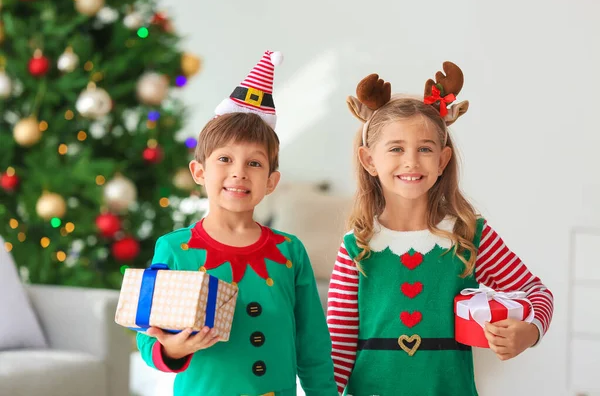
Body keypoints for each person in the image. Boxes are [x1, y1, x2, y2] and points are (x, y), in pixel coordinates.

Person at [326, 62, 554, 396]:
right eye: (396, 148)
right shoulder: (356, 246)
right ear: (369, 160)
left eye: (425, 149)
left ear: (442, 160)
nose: (411, 161)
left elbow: (537, 292)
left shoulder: (469, 235)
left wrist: (530, 331)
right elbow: (339, 343)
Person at [136, 50, 338, 396]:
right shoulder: (173, 249)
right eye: (225, 159)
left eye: (255, 164)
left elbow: (313, 345)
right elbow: (147, 337)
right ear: (199, 172)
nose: (238, 173)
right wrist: (174, 349)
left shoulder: (290, 251)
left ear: (272, 181)